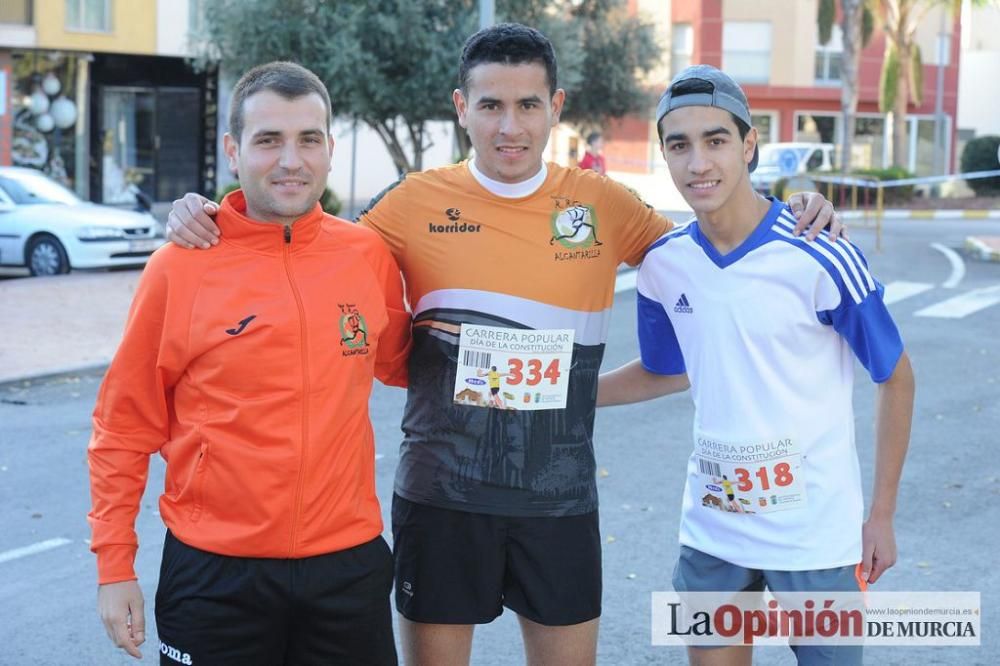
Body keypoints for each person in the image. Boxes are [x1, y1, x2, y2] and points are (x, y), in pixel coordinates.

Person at [165, 25, 843, 666]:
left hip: (559, 501)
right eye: (490, 104)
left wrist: (794, 210)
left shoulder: (605, 205)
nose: (509, 126)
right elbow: (307, 249)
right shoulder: (410, 205)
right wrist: (211, 214)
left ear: (557, 107)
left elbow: (722, 253)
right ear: (462, 107)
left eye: (527, 105)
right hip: (441, 499)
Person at [87, 61, 410, 665]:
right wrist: (114, 566)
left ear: (330, 149)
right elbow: (123, 428)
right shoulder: (180, 266)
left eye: (308, 139)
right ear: (234, 150)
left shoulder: (365, 254)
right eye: (269, 140)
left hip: (348, 567)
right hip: (215, 576)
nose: (291, 160)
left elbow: (403, 364)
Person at [597, 64, 915, 665]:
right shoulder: (664, 265)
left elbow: (895, 377)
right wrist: (566, 389)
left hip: (816, 538)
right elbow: (670, 369)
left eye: (716, 141)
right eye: (679, 145)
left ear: (748, 145)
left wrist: (881, 515)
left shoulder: (819, 252)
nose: (699, 163)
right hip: (713, 532)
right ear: (663, 154)